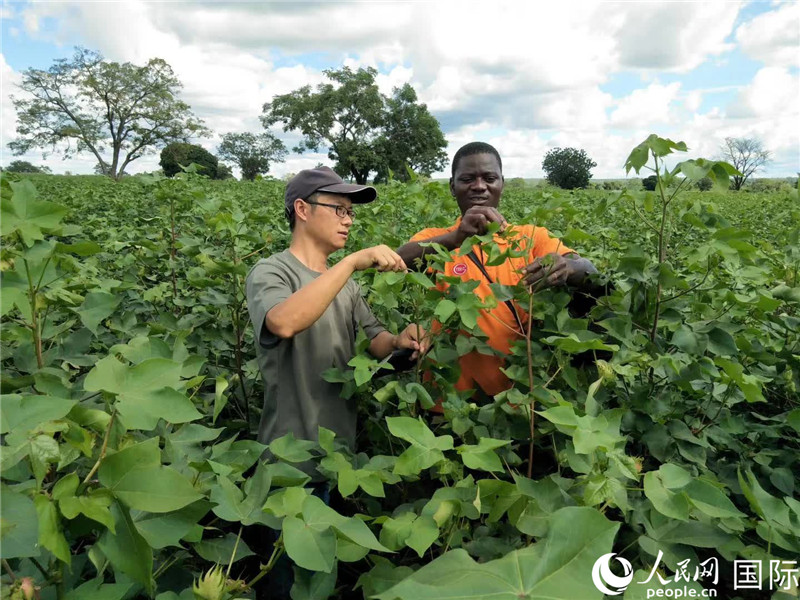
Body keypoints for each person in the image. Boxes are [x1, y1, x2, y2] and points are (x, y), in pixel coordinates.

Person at [396, 141, 598, 401]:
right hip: (447, 402)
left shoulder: (530, 238)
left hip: (521, 401)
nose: (479, 186)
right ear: (452, 187)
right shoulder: (436, 240)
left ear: (502, 183)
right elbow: (400, 259)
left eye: (489, 178)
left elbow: (589, 271)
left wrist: (567, 265)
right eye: (468, 178)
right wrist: (456, 238)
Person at [245, 166, 427, 452]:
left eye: (350, 212)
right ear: (303, 209)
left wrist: (398, 340)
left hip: (339, 453)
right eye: (339, 210)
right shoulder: (271, 272)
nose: (349, 221)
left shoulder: (346, 284)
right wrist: (351, 262)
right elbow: (283, 322)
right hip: (290, 458)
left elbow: (375, 339)